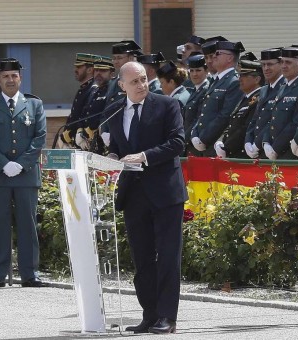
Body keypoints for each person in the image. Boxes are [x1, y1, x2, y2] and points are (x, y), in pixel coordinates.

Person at [104, 61, 187, 334]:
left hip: (165, 193)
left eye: (143, 79)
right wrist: (113, 159)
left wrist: (145, 156)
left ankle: (167, 317)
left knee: (167, 257)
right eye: (134, 82)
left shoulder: (166, 105)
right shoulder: (115, 112)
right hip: (134, 194)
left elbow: (177, 142)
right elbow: (117, 146)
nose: (141, 85)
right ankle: (149, 314)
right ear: (122, 85)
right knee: (142, 259)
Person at [0, 58, 46, 288]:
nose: (10, 80)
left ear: (20, 78)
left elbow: (39, 138)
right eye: (5, 76)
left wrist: (22, 163)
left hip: (26, 175)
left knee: (27, 224)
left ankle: (30, 273)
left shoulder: (34, 105)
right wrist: (3, 164)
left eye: (14, 75)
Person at [191, 40, 245, 156]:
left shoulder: (234, 81)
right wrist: (195, 133)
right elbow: (203, 112)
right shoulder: (216, 81)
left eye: (218, 54)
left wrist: (204, 138)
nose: (213, 57)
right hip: (204, 144)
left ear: (230, 58)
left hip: (216, 145)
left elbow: (225, 115)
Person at [263, 46, 298, 160]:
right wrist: (265, 141)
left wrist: (276, 148)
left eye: (288, 62)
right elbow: (273, 118)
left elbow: (296, 122)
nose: (283, 66)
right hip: (274, 151)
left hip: (289, 152)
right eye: (282, 62)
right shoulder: (283, 87)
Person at [215, 59, 263, 159]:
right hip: (234, 154)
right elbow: (232, 122)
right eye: (240, 75)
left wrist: (227, 147)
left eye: (244, 76)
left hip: (244, 155)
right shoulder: (245, 98)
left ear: (257, 79)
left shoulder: (258, 99)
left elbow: (244, 128)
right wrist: (220, 141)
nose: (240, 79)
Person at [244, 48, 284, 159]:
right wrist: (248, 140)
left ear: (281, 64)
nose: (266, 68)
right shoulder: (264, 90)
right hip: (258, 152)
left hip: (272, 148)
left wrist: (257, 143)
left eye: (270, 64)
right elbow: (255, 119)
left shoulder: (284, 88)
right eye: (263, 64)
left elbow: (274, 120)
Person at [61, 53, 96, 149]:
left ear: (90, 70)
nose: (75, 70)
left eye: (79, 67)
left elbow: (86, 116)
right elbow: (74, 114)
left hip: (85, 141)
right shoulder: (84, 89)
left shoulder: (93, 89)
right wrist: (65, 133)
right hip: (74, 141)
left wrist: (80, 133)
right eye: (75, 67)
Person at [182, 54, 209, 156]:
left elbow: (198, 119)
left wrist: (183, 138)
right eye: (191, 71)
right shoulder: (195, 89)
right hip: (188, 144)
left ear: (206, 71)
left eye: (198, 70)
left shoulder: (206, 90)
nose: (194, 74)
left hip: (195, 143)